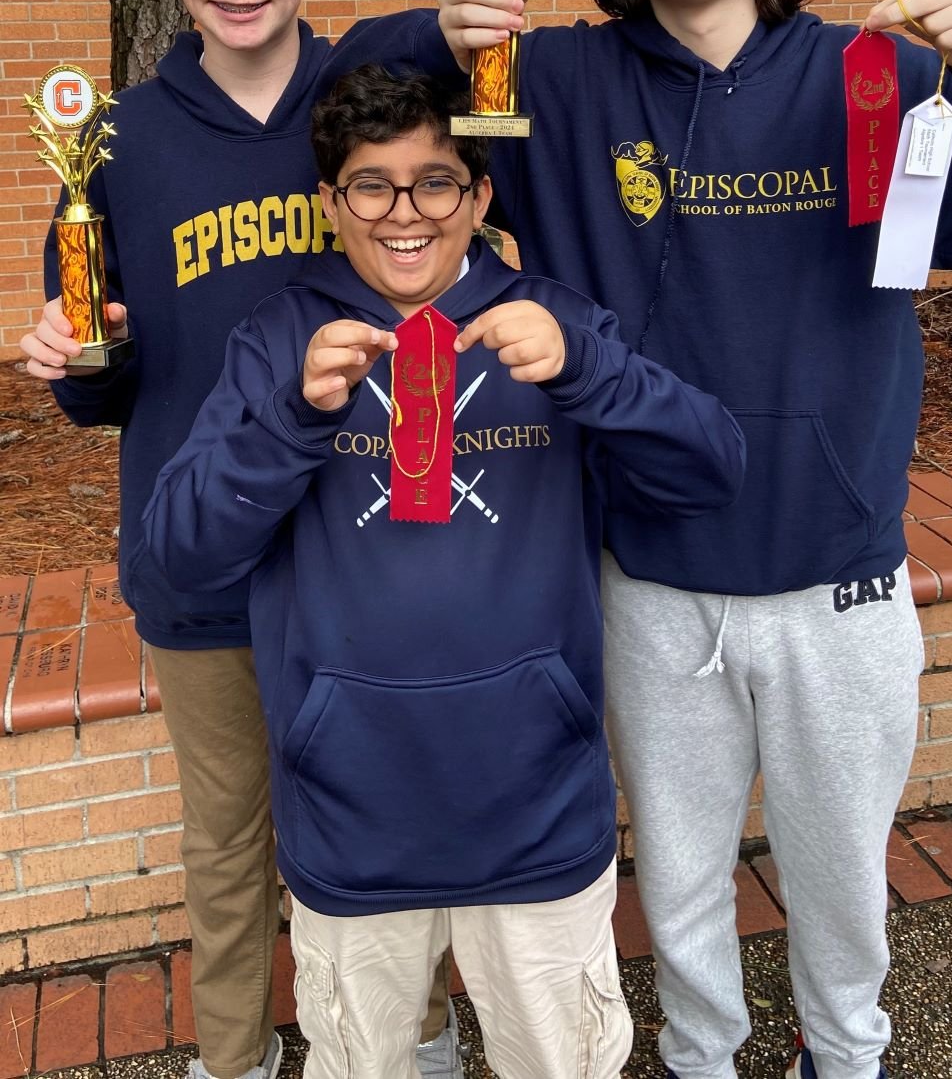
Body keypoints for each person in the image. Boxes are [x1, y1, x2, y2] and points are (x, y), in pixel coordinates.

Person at [435, 0, 952, 1079]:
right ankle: (704, 1054)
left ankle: (848, 1053)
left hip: (840, 579)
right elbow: (347, 122)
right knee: (682, 867)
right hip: (658, 585)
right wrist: (444, 25)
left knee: (839, 876)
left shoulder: (875, 76)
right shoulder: (550, 84)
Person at [141, 64, 745, 1079]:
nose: (404, 213)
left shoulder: (556, 324)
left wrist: (590, 371)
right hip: (351, 817)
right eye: (371, 185)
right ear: (332, 203)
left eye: (436, 182)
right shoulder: (279, 341)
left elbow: (711, 470)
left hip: (535, 810)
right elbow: (180, 555)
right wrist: (290, 421)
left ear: (480, 195)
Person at [19, 0, 466, 1079]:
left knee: (382, 806)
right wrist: (70, 357)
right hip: (203, 557)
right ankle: (236, 1057)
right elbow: (106, 393)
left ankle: (415, 1037)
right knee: (228, 840)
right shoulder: (111, 143)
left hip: (369, 538)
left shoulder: (377, 105)